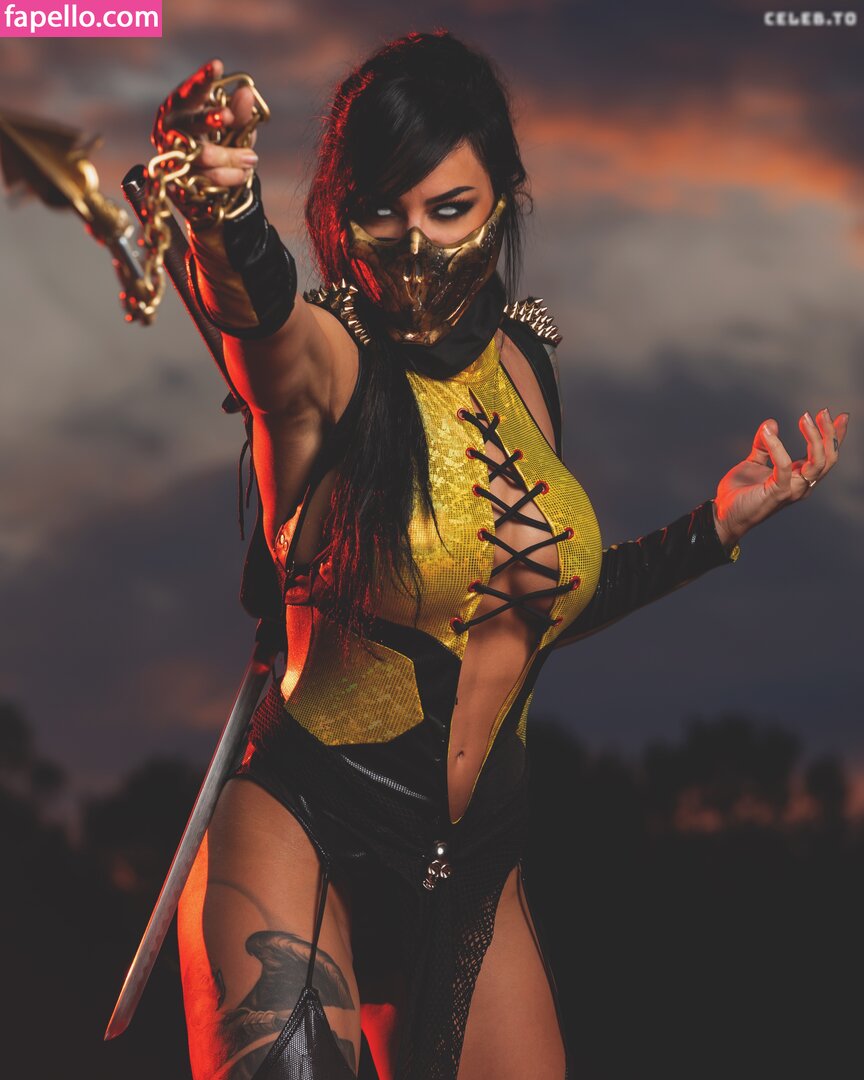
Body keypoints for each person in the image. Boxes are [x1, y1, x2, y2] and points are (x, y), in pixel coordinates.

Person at [151, 31, 849, 1080]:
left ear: (504, 200)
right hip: (309, 830)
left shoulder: (524, 362)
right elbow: (265, 330)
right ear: (342, 214)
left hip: (476, 867)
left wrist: (712, 530)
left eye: (448, 208)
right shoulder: (332, 361)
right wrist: (226, 218)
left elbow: (532, 610)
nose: (415, 244)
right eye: (382, 212)